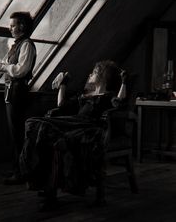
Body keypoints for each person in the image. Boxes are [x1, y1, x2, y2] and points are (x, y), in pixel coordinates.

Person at [19, 60, 126, 211]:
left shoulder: (107, 96)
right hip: (72, 122)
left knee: (57, 138)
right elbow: (61, 104)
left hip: (88, 127)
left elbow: (120, 103)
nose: (90, 75)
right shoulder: (85, 95)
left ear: (103, 77)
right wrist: (63, 84)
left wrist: (124, 82)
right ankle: (39, 178)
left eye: (94, 72)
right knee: (33, 123)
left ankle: (50, 192)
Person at [0, 12, 37, 185]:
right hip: (11, 92)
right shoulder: (16, 45)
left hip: (18, 92)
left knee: (18, 134)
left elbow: (20, 70)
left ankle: (20, 173)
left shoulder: (27, 45)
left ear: (22, 26)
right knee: (14, 134)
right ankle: (16, 169)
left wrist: (3, 67)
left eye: (12, 25)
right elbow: (6, 65)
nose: (9, 28)